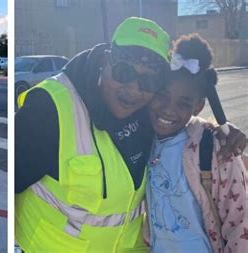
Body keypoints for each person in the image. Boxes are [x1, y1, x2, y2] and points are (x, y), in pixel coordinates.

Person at [15, 17, 246, 252]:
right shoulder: (49, 108)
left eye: (149, 81)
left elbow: (177, 117)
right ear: (105, 61)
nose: (134, 89)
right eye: (124, 72)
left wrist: (222, 132)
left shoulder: (147, 116)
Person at [145, 34, 247, 252]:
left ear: (198, 107)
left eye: (183, 103)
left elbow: (240, 222)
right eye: (162, 96)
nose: (168, 109)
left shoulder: (214, 148)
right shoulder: (141, 139)